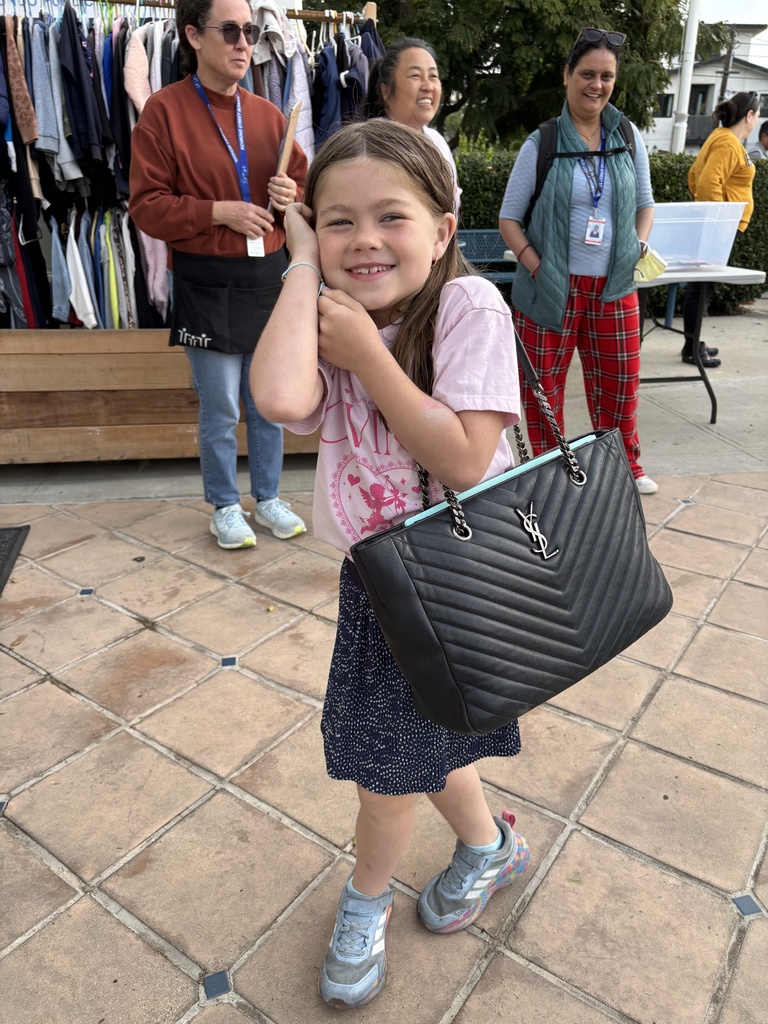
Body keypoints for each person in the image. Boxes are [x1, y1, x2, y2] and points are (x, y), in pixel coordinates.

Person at [250, 119, 530, 1009]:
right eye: (339, 221)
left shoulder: (468, 307)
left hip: (458, 580)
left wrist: (369, 357)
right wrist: (302, 264)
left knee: (385, 770)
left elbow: (464, 459)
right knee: (421, 741)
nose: (364, 239)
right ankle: (490, 846)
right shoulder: (335, 314)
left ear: (443, 230)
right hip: (380, 583)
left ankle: (365, 898)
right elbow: (279, 396)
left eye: (390, 217)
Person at [128, 0, 308, 549]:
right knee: (223, 404)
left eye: (249, 31)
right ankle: (225, 505)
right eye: (229, 30)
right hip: (205, 279)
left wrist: (292, 194)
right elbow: (146, 207)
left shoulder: (269, 116)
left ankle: (269, 497)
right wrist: (218, 212)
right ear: (192, 35)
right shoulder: (163, 112)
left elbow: (308, 191)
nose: (243, 43)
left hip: (268, 277)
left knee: (268, 399)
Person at [499, 27, 658, 495]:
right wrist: (535, 265)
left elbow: (645, 204)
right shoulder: (543, 142)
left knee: (620, 383)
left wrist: (637, 245)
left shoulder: (627, 136)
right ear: (567, 75)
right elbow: (509, 218)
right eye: (587, 73)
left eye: (606, 76)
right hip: (550, 286)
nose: (597, 84)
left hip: (614, 285)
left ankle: (625, 467)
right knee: (542, 389)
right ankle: (553, 472)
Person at [682, 92, 760, 369]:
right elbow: (706, 183)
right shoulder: (728, 143)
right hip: (718, 227)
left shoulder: (721, 137)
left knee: (702, 287)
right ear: (749, 116)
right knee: (702, 288)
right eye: (757, 114)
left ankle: (692, 344)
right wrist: (719, 223)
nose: (758, 119)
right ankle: (692, 349)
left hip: (715, 225)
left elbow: (694, 176)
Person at [358, 37, 461, 214]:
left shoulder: (437, 142)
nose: (428, 86)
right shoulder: (368, 144)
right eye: (415, 75)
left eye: (433, 76)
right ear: (386, 91)